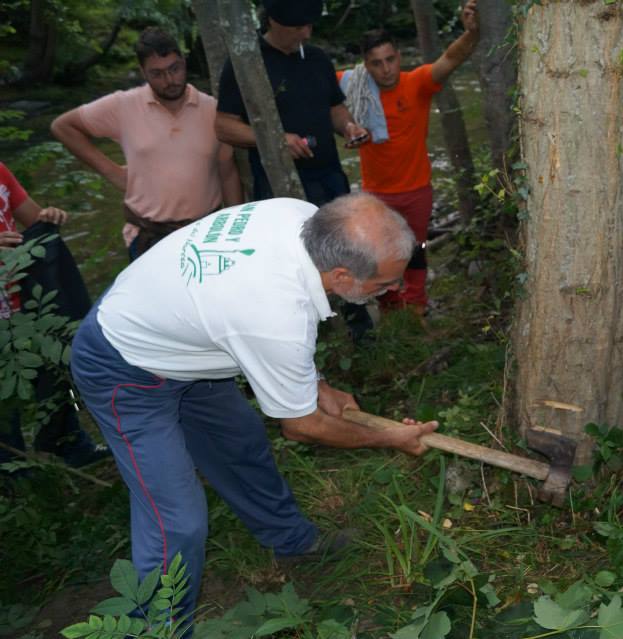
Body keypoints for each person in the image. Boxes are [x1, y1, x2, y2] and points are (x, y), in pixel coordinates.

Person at [69, 193, 438, 626]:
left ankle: (293, 541)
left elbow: (279, 336)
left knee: (240, 443)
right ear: (340, 275)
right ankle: (155, 631)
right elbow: (301, 426)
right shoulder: (271, 310)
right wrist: (389, 437)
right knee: (177, 523)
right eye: (383, 285)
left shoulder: (302, 217)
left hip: (188, 338)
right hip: (123, 368)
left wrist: (315, 384)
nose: (393, 290)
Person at [215, 0, 373, 339]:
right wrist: (276, 140)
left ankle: (359, 327)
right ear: (273, 20)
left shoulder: (315, 57)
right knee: (294, 263)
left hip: (329, 175)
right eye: (298, 26)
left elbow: (334, 107)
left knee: (345, 248)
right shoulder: (246, 63)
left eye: (309, 25)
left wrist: (349, 127)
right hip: (279, 186)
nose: (306, 32)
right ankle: (311, 336)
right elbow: (224, 126)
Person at [51, 27, 243, 260]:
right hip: (149, 236)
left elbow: (228, 173)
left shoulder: (212, 109)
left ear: (184, 61)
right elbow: (63, 126)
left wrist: (237, 229)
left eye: (174, 69)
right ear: (143, 72)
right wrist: (112, 172)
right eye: (157, 74)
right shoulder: (123, 106)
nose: (170, 80)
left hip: (205, 234)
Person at [337, 0, 479, 315]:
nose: (386, 69)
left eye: (390, 59)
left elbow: (452, 59)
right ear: (365, 65)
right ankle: (390, 307)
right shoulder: (351, 85)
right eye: (377, 63)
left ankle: (416, 304)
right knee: (380, 253)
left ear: (399, 56)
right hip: (377, 193)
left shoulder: (417, 83)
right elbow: (314, 88)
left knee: (416, 248)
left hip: (416, 189)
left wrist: (470, 33)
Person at [0, 162, 108, 469]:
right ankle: (14, 472)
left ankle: (71, 445)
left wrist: (49, 217)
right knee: (5, 396)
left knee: (53, 370)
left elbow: (33, 218)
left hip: (23, 296)